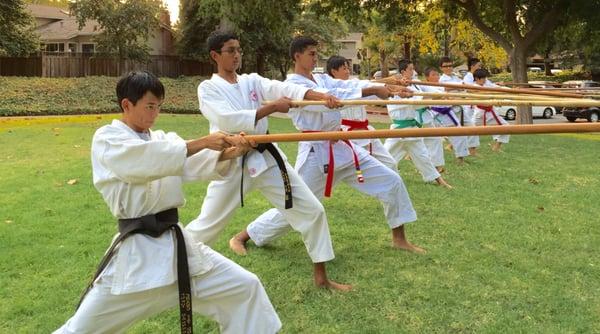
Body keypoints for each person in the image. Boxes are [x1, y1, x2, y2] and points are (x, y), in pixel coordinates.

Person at [53, 71, 282, 334]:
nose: (155, 113)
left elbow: (188, 163)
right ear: (126, 105)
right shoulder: (107, 139)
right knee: (80, 330)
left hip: (177, 248)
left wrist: (234, 151)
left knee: (245, 287)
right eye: (150, 106)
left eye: (159, 107)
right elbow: (144, 161)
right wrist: (204, 141)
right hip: (136, 254)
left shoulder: (162, 138)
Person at [185, 30, 351, 291]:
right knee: (208, 224)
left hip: (267, 157)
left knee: (312, 210)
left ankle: (322, 279)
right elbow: (228, 119)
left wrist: (319, 97)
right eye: (231, 50)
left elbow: (282, 88)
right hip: (233, 162)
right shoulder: (207, 88)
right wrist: (272, 107)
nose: (237, 55)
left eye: (239, 49)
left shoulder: (251, 81)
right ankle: (170, 261)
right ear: (215, 55)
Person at [237, 36, 425, 256]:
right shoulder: (292, 85)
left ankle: (399, 239)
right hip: (316, 153)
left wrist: (384, 84)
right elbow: (331, 100)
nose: (316, 57)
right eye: (312, 53)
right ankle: (244, 236)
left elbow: (346, 85)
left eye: (317, 53)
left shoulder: (320, 79)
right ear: (297, 56)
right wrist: (374, 90)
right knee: (297, 205)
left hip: (342, 148)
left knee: (392, 181)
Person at [383, 61, 452, 188]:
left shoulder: (412, 85)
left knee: (423, 157)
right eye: (410, 69)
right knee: (384, 156)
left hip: (412, 129)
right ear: (402, 72)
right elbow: (417, 101)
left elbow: (427, 92)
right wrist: (434, 97)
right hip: (398, 131)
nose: (413, 72)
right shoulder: (394, 91)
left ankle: (439, 181)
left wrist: (440, 94)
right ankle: (375, 176)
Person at [325, 55, 398, 171]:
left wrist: (392, 88)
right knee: (354, 171)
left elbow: (368, 86)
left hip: (367, 131)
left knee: (390, 164)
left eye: (348, 68)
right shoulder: (329, 91)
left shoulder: (355, 83)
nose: (348, 71)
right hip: (348, 136)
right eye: (344, 69)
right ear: (333, 71)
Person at [425, 65, 469, 164]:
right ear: (427, 77)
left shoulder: (440, 85)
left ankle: (460, 159)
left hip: (448, 112)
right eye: (433, 75)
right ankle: (412, 155)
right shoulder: (425, 87)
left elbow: (447, 93)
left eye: (437, 74)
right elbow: (429, 99)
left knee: (460, 133)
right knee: (430, 139)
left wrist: (452, 98)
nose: (436, 76)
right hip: (436, 115)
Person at [472, 68, 510, 151]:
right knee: (471, 131)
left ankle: (496, 147)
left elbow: (497, 88)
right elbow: (485, 93)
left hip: (491, 113)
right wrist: (495, 96)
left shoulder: (486, 84)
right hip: (480, 114)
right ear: (476, 78)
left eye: (485, 78)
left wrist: (512, 90)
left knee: (506, 127)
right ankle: (470, 150)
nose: (485, 80)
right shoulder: (474, 87)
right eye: (483, 78)